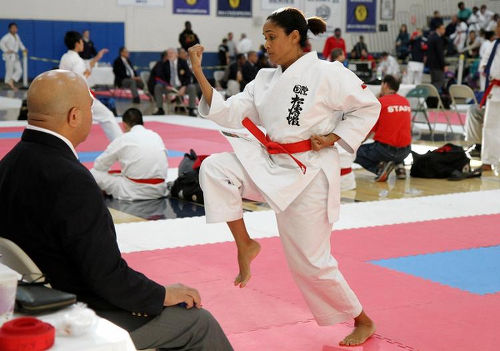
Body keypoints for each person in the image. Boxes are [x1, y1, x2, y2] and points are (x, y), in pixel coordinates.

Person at [0, 69, 233, 351]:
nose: (92, 116)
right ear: (74, 116)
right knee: (198, 322)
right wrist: (161, 294)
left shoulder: (9, 164)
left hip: (30, 300)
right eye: (89, 109)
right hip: (81, 313)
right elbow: (106, 277)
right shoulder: (72, 180)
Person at [189, 7, 380, 347]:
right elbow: (229, 111)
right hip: (273, 164)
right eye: (264, 37)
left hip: (311, 172)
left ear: (295, 37)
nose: (266, 44)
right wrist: (198, 73)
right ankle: (245, 244)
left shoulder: (327, 73)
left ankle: (361, 319)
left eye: (271, 37)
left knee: (310, 263)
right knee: (215, 168)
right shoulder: (264, 80)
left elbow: (368, 105)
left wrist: (336, 136)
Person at [90, 108, 168, 200]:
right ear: (142, 123)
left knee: (94, 173)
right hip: (160, 190)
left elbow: (99, 165)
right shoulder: (156, 136)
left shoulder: (123, 139)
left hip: (132, 191)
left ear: (124, 125)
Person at [59, 31, 122, 141]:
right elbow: (80, 81)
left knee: (69, 126)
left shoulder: (65, 57)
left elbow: (85, 68)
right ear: (77, 43)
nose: (83, 44)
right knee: (107, 116)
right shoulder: (77, 61)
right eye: (82, 42)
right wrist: (89, 95)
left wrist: (97, 57)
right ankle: (121, 143)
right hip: (80, 98)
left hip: (67, 97)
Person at [355, 75, 411, 182]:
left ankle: (380, 169)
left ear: (385, 85)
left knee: (354, 152)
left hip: (385, 151)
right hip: (405, 151)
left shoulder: (381, 102)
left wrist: (358, 142)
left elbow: (369, 130)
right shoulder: (405, 101)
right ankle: (399, 166)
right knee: (397, 137)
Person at [478, 20, 500, 171]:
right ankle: (487, 160)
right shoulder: (493, 45)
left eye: (499, 26)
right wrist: (486, 69)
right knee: (489, 126)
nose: (496, 29)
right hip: (494, 90)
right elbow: (484, 65)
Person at [154, 48, 197, 117]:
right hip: (169, 87)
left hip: (181, 86)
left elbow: (188, 76)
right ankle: (160, 109)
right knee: (158, 87)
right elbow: (160, 76)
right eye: (168, 53)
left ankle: (191, 109)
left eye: (171, 53)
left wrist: (184, 87)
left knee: (192, 87)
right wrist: (165, 85)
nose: (169, 55)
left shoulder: (183, 62)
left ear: (177, 54)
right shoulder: (164, 63)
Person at [0, 23, 26, 91]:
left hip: (15, 56)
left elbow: (20, 44)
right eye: (13, 28)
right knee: (9, 71)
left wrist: (23, 49)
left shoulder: (17, 36)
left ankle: (11, 80)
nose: (14, 29)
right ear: (10, 29)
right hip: (9, 56)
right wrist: (6, 50)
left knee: (19, 70)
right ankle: (11, 85)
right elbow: (1, 43)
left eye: (15, 28)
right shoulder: (7, 36)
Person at [427, 23, 447, 91]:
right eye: (443, 29)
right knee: (439, 82)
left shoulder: (430, 37)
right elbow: (440, 53)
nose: (444, 30)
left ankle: (431, 97)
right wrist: (444, 65)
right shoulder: (438, 39)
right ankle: (433, 96)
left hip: (431, 65)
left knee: (434, 81)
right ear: (438, 29)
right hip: (437, 65)